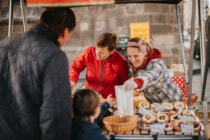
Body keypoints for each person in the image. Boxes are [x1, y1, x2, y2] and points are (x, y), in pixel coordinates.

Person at [0, 8, 76, 140]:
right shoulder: (54, 56)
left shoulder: (3, 45)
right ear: (65, 31)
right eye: (70, 35)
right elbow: (56, 117)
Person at [69, 32, 129, 99]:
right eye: (97, 49)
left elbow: (124, 84)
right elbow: (75, 67)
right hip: (90, 97)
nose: (97, 54)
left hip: (109, 99)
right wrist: (72, 80)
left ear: (112, 51)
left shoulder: (121, 62)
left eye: (102, 53)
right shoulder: (89, 52)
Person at [123, 37, 182, 103]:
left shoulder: (156, 64)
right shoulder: (135, 66)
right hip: (156, 106)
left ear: (144, 52)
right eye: (129, 56)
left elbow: (149, 76)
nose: (132, 60)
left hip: (174, 103)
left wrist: (137, 82)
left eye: (136, 56)